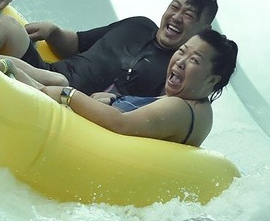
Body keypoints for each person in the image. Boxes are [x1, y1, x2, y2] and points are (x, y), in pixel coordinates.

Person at [39, 28, 238, 147]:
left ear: (212, 80)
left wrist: (69, 95)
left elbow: (121, 124)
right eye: (182, 52)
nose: (180, 62)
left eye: (194, 60)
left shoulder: (181, 108)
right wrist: (114, 100)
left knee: (58, 84)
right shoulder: (194, 104)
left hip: (83, 146)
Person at [11, 0, 219, 96]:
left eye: (189, 15)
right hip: (46, 73)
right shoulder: (138, 25)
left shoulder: (178, 70)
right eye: (174, 7)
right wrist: (53, 32)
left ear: (204, 31)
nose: (176, 17)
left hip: (68, 102)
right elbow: (76, 44)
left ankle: (0, 64)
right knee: (9, 28)